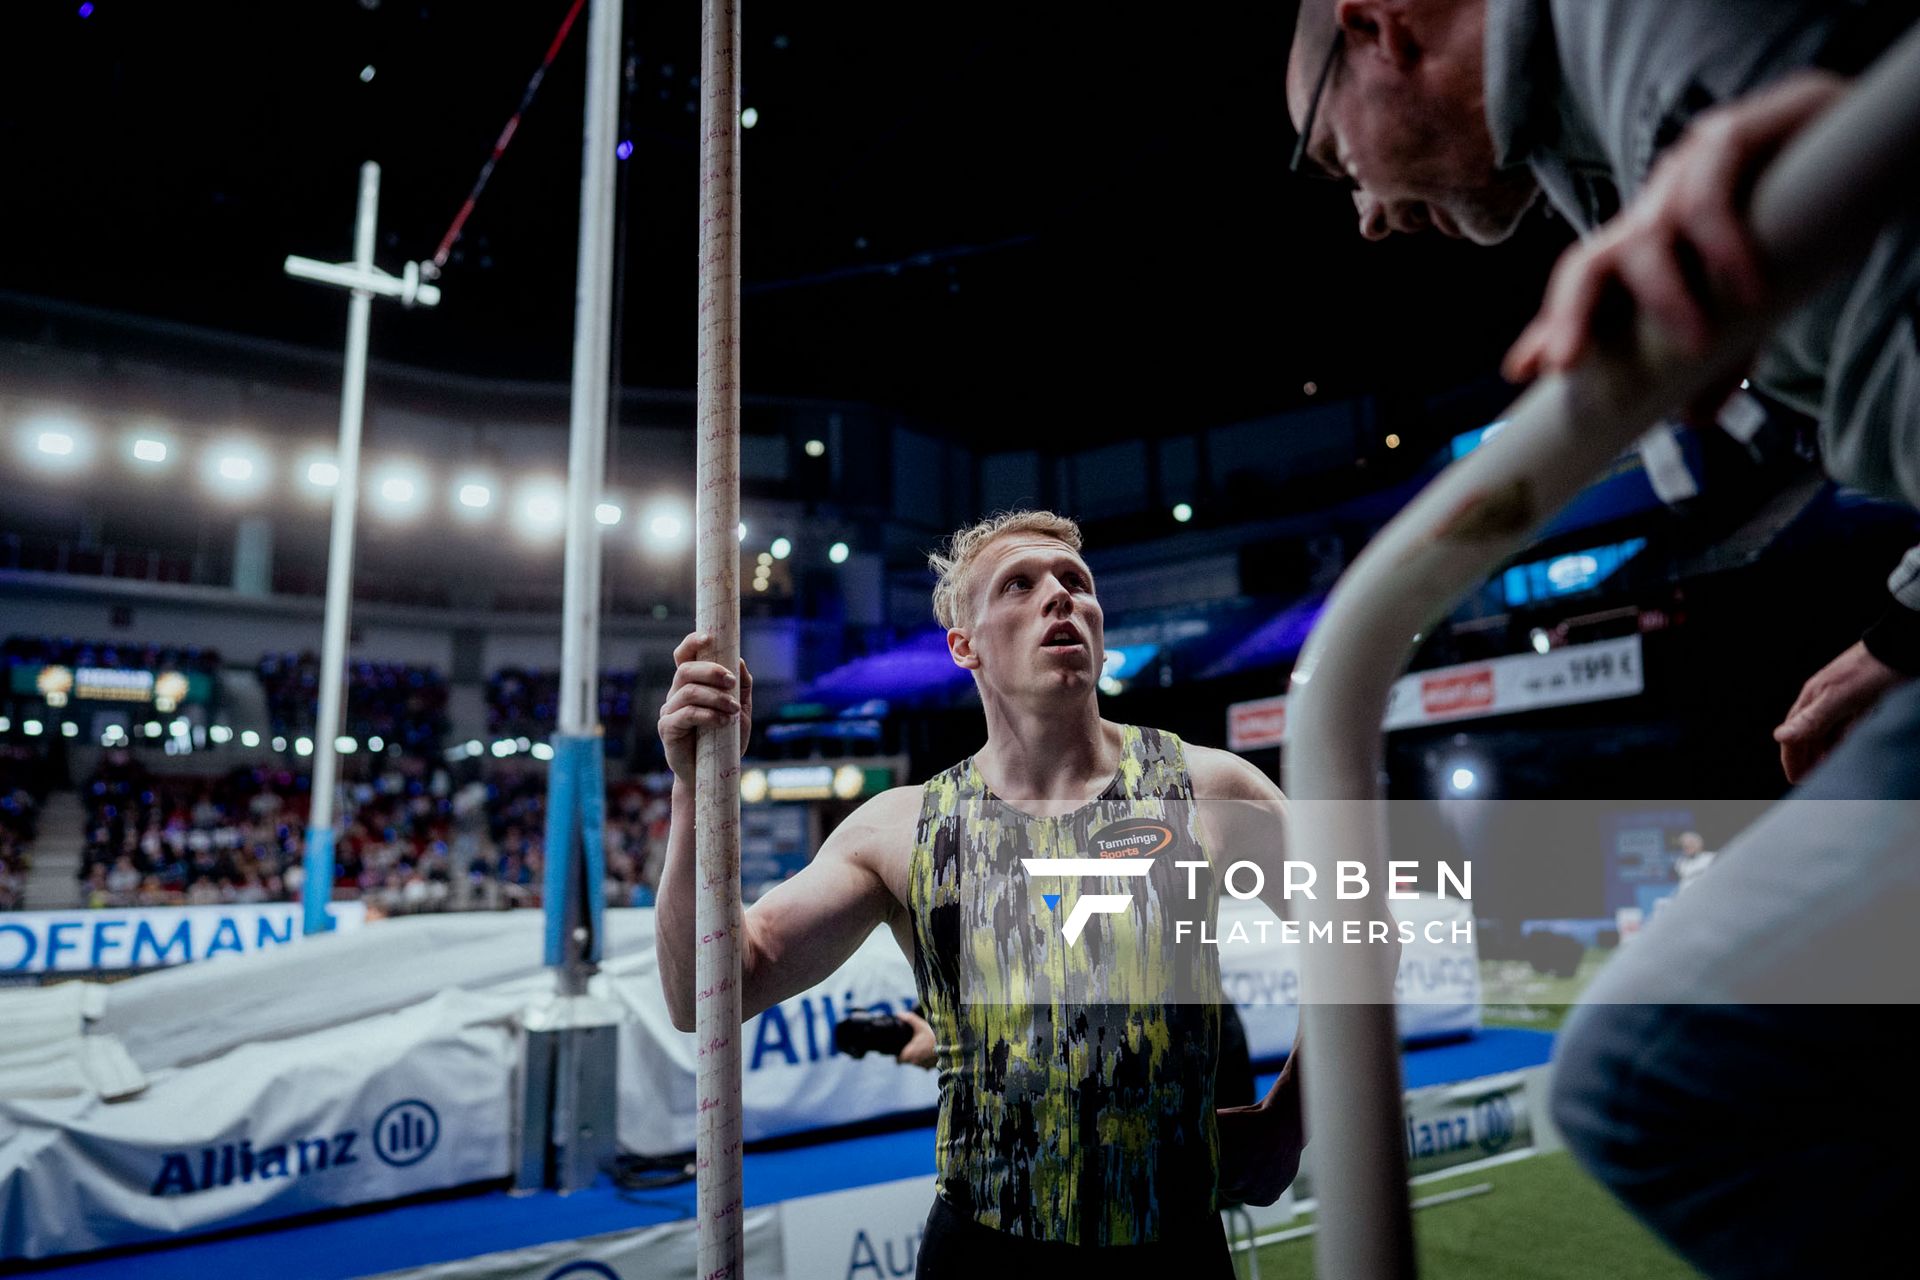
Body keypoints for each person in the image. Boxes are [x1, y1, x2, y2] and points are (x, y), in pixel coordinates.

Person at [1284, 1, 1919, 1272]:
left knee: (1653, 1077)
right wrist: (1903, 633)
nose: (1360, 211)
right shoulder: (1596, 139)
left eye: (1329, 154)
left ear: (1376, 29)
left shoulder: (1631, 24)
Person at [656, 511, 1320, 1277]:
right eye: (1020, 585)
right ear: (963, 646)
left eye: (1077, 582)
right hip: (983, 1249)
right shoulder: (898, 830)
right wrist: (691, 795)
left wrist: (1290, 1120)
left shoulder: (1209, 789)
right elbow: (703, 993)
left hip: (1172, 1245)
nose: (1060, 597)